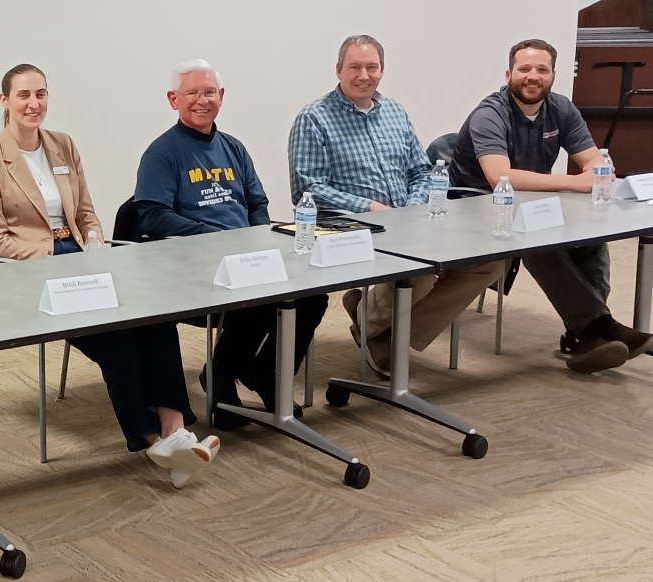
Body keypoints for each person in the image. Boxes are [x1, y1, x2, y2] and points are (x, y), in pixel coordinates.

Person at [0, 64, 218, 488]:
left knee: (153, 317)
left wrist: (96, 239)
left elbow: (85, 212)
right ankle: (154, 438)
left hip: (84, 258)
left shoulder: (63, 145)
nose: (34, 104)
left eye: (41, 94)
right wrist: (56, 254)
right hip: (32, 271)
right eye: (24, 95)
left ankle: (176, 434)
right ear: (4, 101)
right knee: (116, 337)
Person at [289, 35, 505, 376]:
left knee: (490, 260)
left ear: (382, 70)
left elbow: (422, 170)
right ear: (338, 71)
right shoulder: (314, 118)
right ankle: (375, 322)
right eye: (355, 67)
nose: (364, 75)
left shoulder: (394, 111)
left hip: (408, 218)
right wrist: (372, 207)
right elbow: (307, 188)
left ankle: (382, 332)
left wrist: (412, 206)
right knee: (416, 268)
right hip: (353, 225)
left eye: (371, 67)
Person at [134, 59, 328, 428]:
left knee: (312, 296)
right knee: (253, 295)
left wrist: (257, 240)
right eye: (191, 93)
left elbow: (258, 204)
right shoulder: (162, 153)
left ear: (221, 96)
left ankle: (265, 374)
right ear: (174, 99)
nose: (201, 100)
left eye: (209, 92)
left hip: (247, 254)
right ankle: (222, 378)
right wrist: (215, 237)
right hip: (193, 264)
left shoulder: (234, 148)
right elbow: (151, 215)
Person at [450, 39, 653, 373]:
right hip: (478, 210)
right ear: (509, 74)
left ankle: (586, 334)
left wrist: (595, 173)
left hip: (529, 204)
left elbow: (595, 165)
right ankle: (596, 327)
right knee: (538, 242)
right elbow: (499, 177)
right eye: (525, 69)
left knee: (590, 233)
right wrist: (577, 181)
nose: (533, 76)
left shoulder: (561, 109)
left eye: (541, 69)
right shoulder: (489, 114)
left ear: (553, 76)